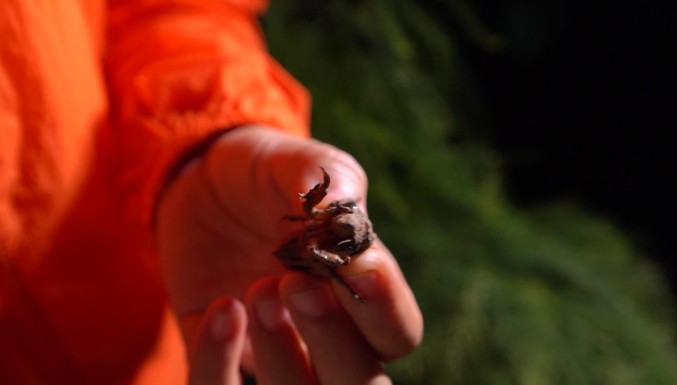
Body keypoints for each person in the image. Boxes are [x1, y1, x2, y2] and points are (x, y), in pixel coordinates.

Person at [0, 1, 423, 384]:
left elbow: (178, 10)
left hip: (147, 317)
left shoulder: (306, 238)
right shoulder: (311, 243)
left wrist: (204, 144)